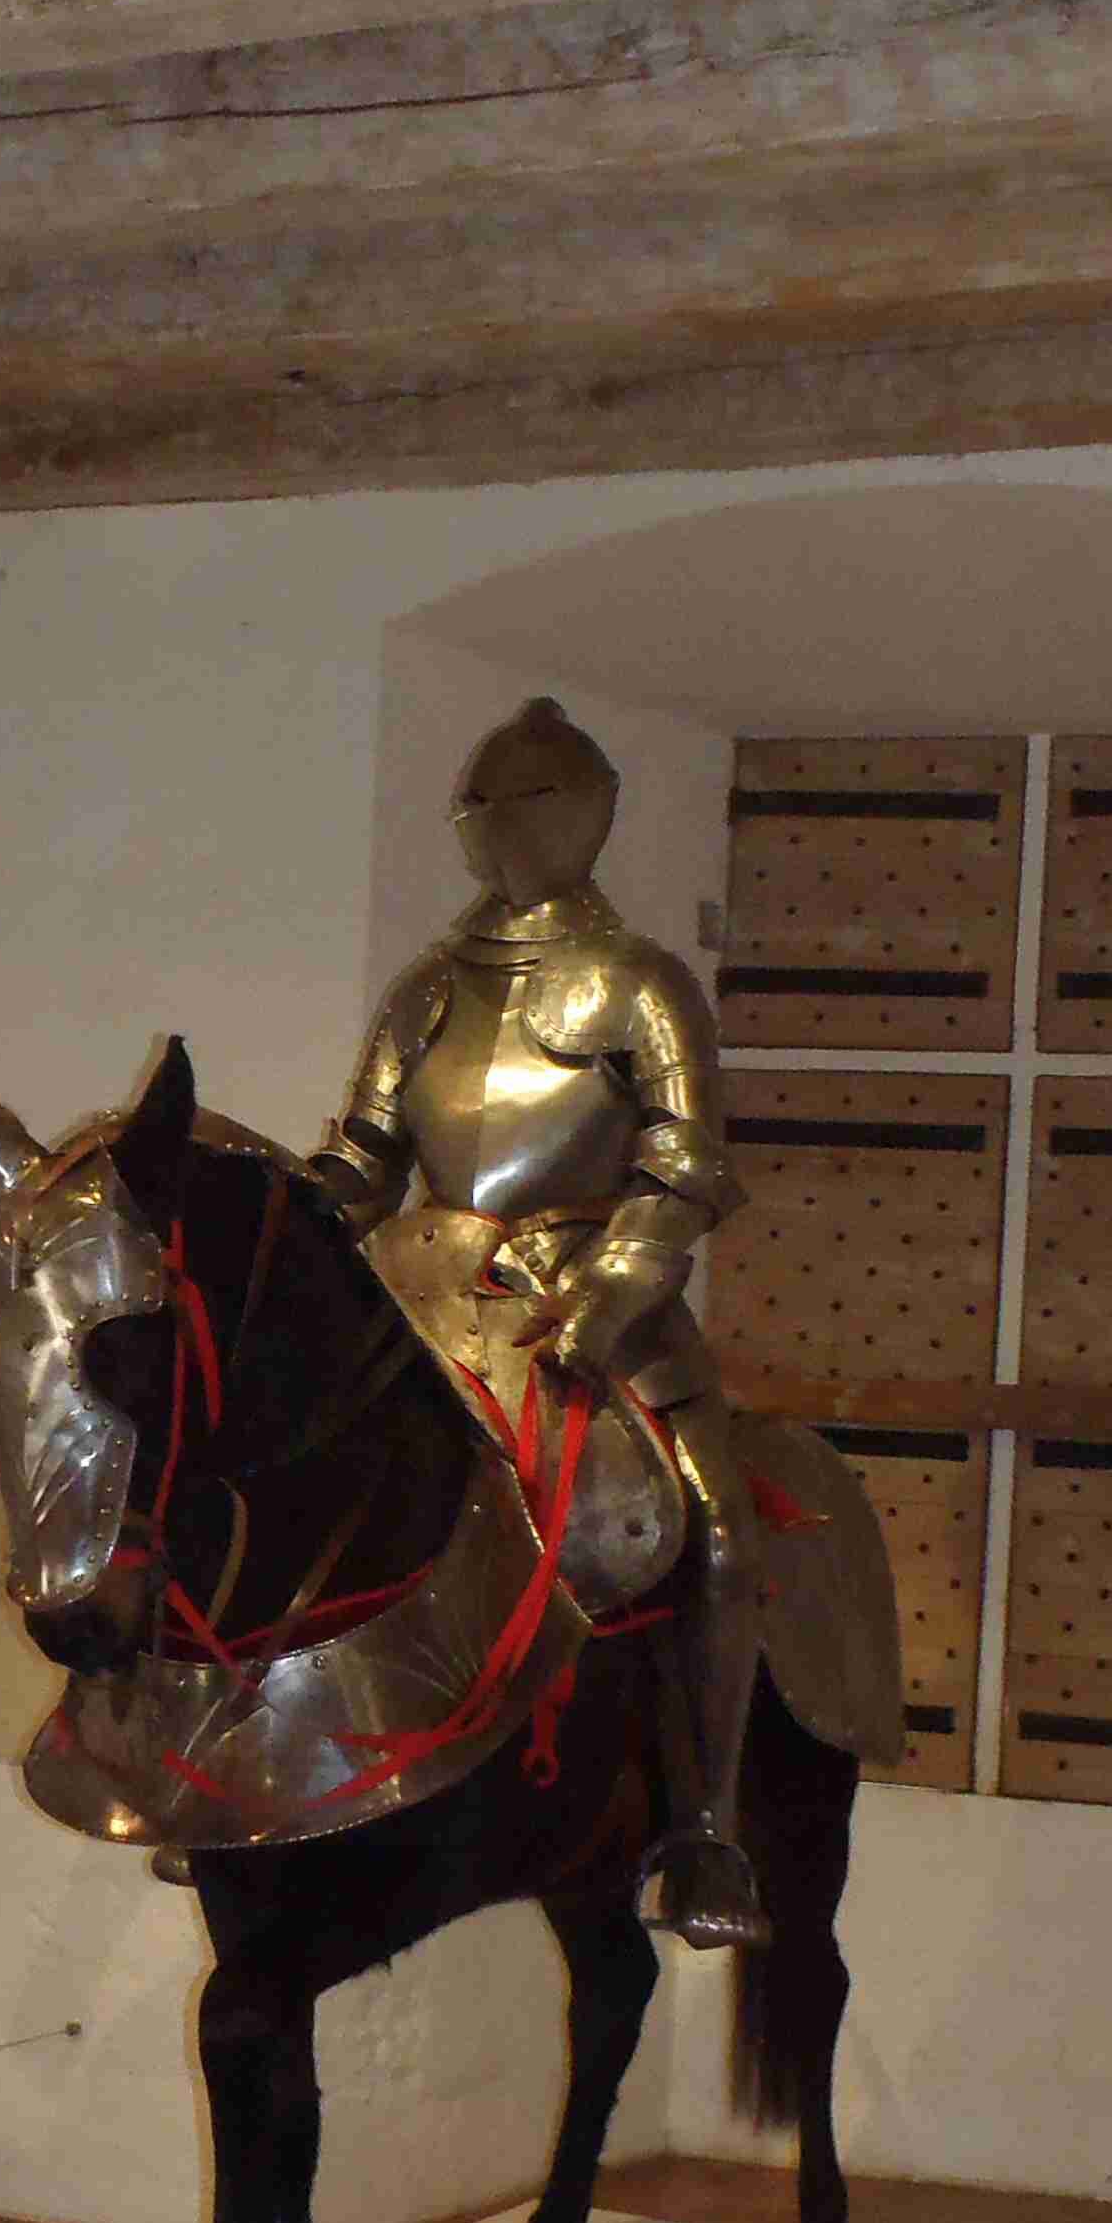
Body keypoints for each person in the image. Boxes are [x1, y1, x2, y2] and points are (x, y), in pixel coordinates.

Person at [309, 698, 770, 1950]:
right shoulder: (425, 991)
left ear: (588, 817)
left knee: (718, 1536)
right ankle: (265, 1757)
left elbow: (684, 1162)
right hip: (430, 1304)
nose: (508, 828)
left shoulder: (641, 983)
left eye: (533, 804)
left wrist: (617, 1285)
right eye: (488, 807)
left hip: (598, 1308)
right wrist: (291, 1210)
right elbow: (364, 1160)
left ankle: (707, 1833)